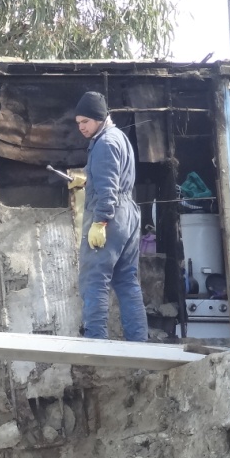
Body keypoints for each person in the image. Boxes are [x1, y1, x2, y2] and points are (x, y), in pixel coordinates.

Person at [69, 91, 148, 342]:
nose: (81, 127)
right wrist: (87, 178)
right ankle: (140, 344)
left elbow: (108, 189)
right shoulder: (119, 138)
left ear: (99, 118)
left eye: (85, 122)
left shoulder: (104, 143)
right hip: (129, 215)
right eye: (78, 123)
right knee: (126, 281)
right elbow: (114, 179)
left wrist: (100, 221)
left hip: (110, 216)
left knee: (94, 279)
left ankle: (96, 344)